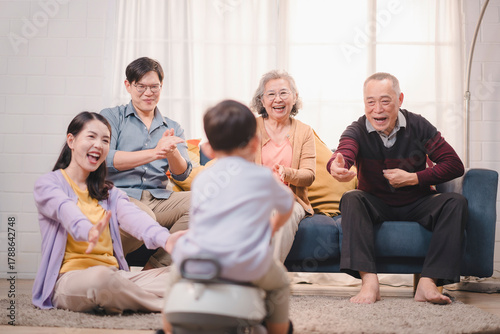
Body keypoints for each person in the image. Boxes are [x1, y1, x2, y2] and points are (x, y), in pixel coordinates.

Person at [327, 72, 467, 305]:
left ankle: (428, 282)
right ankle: (370, 283)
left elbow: (454, 165)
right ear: (365, 104)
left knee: (456, 202)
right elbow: (345, 150)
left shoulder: (419, 126)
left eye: (385, 100)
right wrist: (337, 165)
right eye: (370, 102)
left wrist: (414, 178)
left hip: (417, 202)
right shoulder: (357, 129)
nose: (377, 109)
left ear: (400, 99)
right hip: (376, 203)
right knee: (352, 198)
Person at [32, 111, 186, 313]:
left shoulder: (109, 193)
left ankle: (120, 299)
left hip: (116, 277)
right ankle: (167, 305)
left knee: (186, 273)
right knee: (101, 279)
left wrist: (166, 240)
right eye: (91, 137)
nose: (99, 145)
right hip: (71, 280)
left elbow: (136, 219)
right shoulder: (49, 185)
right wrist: (88, 230)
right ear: (71, 140)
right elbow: (65, 210)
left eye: (105, 140)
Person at [163, 100, 295, 334]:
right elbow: (288, 204)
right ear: (255, 144)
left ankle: (169, 329)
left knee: (173, 278)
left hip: (199, 262)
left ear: (208, 149)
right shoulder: (264, 177)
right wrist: (274, 225)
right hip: (246, 265)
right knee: (280, 285)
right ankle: (278, 330)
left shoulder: (203, 179)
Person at [100, 57, 192, 269]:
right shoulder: (112, 117)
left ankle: (155, 269)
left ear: (162, 86)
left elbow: (182, 174)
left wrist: (172, 153)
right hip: (119, 196)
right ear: (128, 86)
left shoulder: (173, 126)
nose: (148, 93)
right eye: (141, 86)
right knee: (144, 216)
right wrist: (154, 152)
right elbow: (106, 159)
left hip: (159, 198)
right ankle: (101, 261)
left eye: (154, 87)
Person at [249, 70, 316, 262]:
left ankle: (267, 275)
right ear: (262, 100)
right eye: (271, 94)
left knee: (282, 212)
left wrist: (288, 174)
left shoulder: (305, 131)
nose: (277, 99)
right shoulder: (250, 128)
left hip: (291, 200)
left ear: (294, 98)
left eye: (284, 93)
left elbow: (309, 175)